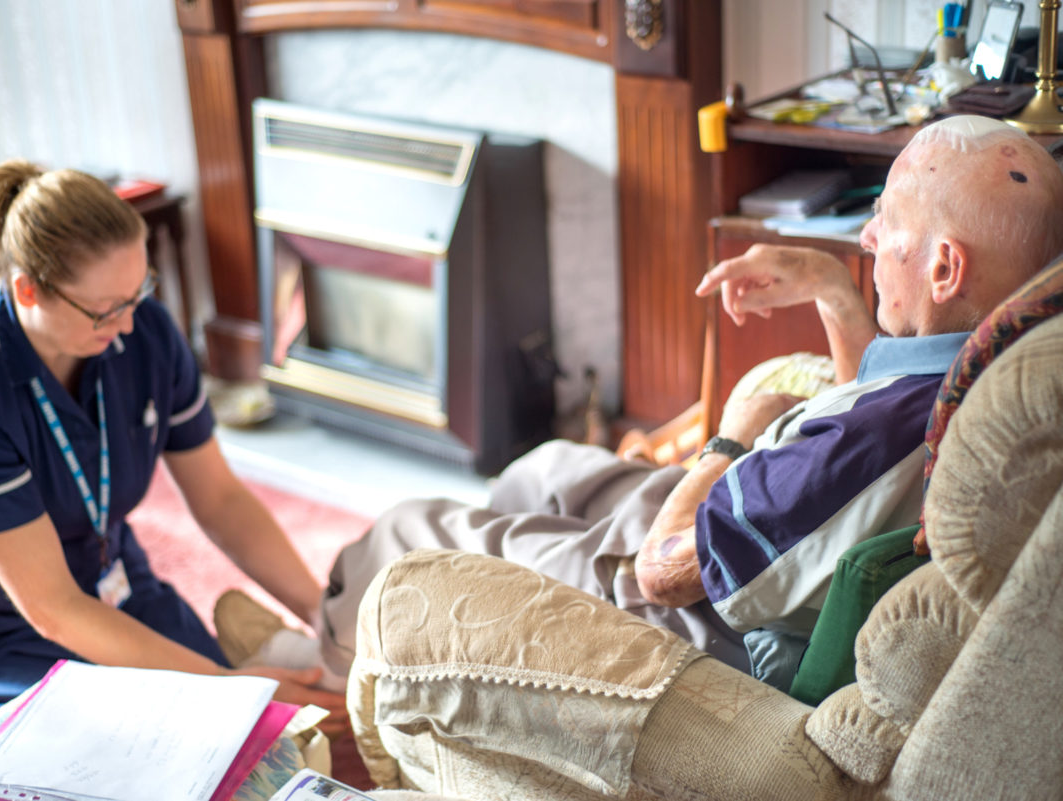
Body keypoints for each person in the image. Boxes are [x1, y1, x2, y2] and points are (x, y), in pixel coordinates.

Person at [200, 114, 1063, 694]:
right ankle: (371, 623)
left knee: (409, 530)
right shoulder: (990, 360)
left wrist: (728, 436)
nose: (869, 236)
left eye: (885, 219)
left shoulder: (868, 440)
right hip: (755, 526)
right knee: (540, 469)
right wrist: (837, 295)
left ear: (946, 269)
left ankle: (319, 655)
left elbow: (666, 570)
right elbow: (859, 422)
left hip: (692, 612)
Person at [0, 159, 347, 751]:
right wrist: (228, 687)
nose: (125, 326)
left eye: (137, 292)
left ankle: (262, 650)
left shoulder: (144, 330)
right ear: (27, 289)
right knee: (127, 753)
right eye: (103, 310)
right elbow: (52, 607)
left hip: (102, 574)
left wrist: (326, 618)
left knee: (228, 736)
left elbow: (220, 500)